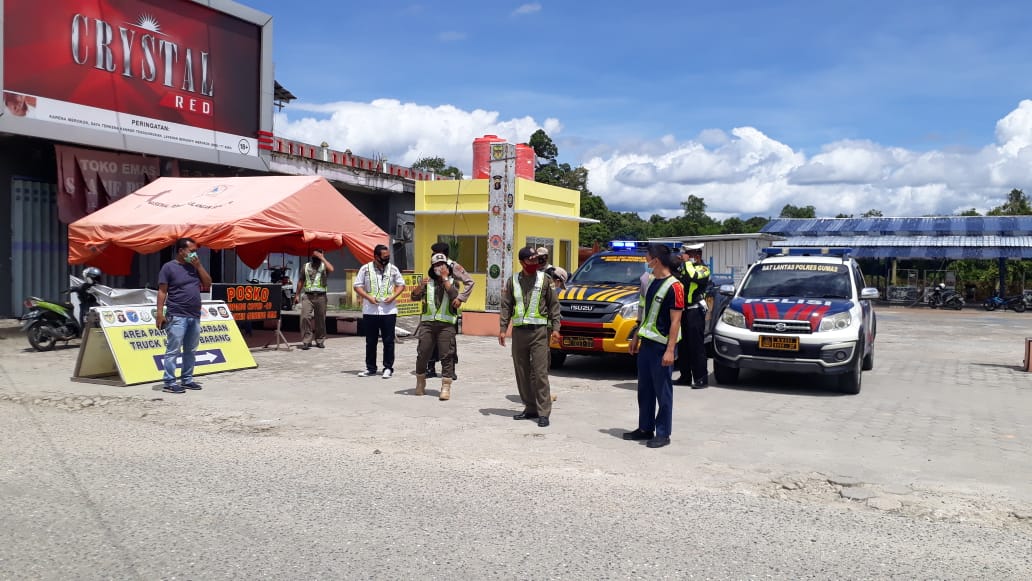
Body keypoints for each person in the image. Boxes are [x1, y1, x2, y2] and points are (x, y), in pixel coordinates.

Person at [623, 244, 684, 448]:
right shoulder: (650, 282)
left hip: (662, 346)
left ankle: (663, 433)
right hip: (647, 343)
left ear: (655, 260)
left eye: (647, 258)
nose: (646, 261)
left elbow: (675, 321)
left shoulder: (675, 286)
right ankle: (645, 428)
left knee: (663, 391)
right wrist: (635, 337)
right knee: (645, 389)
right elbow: (645, 312)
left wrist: (670, 349)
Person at [498, 246, 562, 428]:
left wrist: (556, 328)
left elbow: (554, 306)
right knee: (522, 372)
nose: (535, 264)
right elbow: (506, 306)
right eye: (531, 261)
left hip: (539, 332)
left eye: (537, 261)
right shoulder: (513, 281)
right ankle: (530, 408)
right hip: (519, 333)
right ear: (522, 262)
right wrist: (503, 328)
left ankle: (544, 412)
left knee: (540, 373)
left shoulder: (545, 279)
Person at [155, 238, 212, 394]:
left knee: (190, 350)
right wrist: (160, 313)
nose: (194, 254)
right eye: (191, 251)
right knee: (173, 350)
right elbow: (162, 291)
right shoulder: (169, 267)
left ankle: (187, 379)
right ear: (181, 251)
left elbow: (208, 284)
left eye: (195, 251)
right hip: (177, 314)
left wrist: (199, 266)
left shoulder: (195, 268)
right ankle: (169, 382)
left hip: (194, 315)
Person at [411, 253, 460, 400]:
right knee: (423, 353)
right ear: (432, 268)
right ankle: (420, 382)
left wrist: (445, 279)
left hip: (446, 325)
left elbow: (454, 295)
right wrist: (420, 287)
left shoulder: (453, 281)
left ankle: (446, 387)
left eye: (442, 264)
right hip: (427, 324)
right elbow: (414, 297)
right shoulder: (428, 282)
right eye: (436, 265)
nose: (440, 267)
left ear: (447, 266)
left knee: (447, 355)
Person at [353, 244, 406, 378]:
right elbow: (357, 286)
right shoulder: (365, 269)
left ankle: (388, 367)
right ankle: (370, 368)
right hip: (370, 310)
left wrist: (393, 296)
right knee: (371, 341)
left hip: (389, 311)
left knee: (388, 340)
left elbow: (401, 285)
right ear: (376, 256)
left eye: (388, 257)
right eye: (384, 257)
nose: (387, 259)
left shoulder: (393, 269)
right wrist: (368, 297)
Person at [425, 241, 475, 379]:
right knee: (431, 340)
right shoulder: (434, 264)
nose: (434, 256)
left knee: (449, 342)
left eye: (436, 254)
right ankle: (430, 367)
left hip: (448, 311)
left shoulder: (454, 266)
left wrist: (460, 298)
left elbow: (470, 282)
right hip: (434, 311)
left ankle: (450, 369)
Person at [674, 243, 711, 388]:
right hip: (683, 310)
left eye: (689, 254)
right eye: (686, 254)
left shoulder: (704, 269)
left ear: (697, 255)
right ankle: (685, 376)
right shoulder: (685, 268)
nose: (686, 257)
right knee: (683, 345)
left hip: (695, 310)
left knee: (696, 346)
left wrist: (687, 262)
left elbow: (693, 276)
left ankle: (701, 378)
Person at [294, 248, 335, 350]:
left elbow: (332, 269)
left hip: (321, 296)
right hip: (308, 296)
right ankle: (306, 341)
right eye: (315, 256)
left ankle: (320, 340)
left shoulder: (324, 266)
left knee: (320, 319)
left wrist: (322, 258)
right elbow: (301, 280)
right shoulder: (306, 266)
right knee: (305, 317)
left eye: (318, 256)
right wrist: (297, 295)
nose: (316, 258)